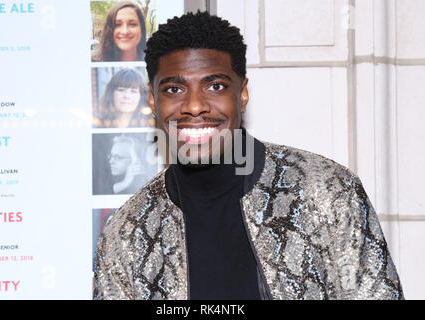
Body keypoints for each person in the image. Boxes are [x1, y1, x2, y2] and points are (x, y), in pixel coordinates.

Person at [93, 11, 403, 300]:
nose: (195, 105)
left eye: (215, 86)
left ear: (242, 93)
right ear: (152, 98)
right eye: (174, 89)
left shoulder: (326, 191)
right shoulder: (127, 233)